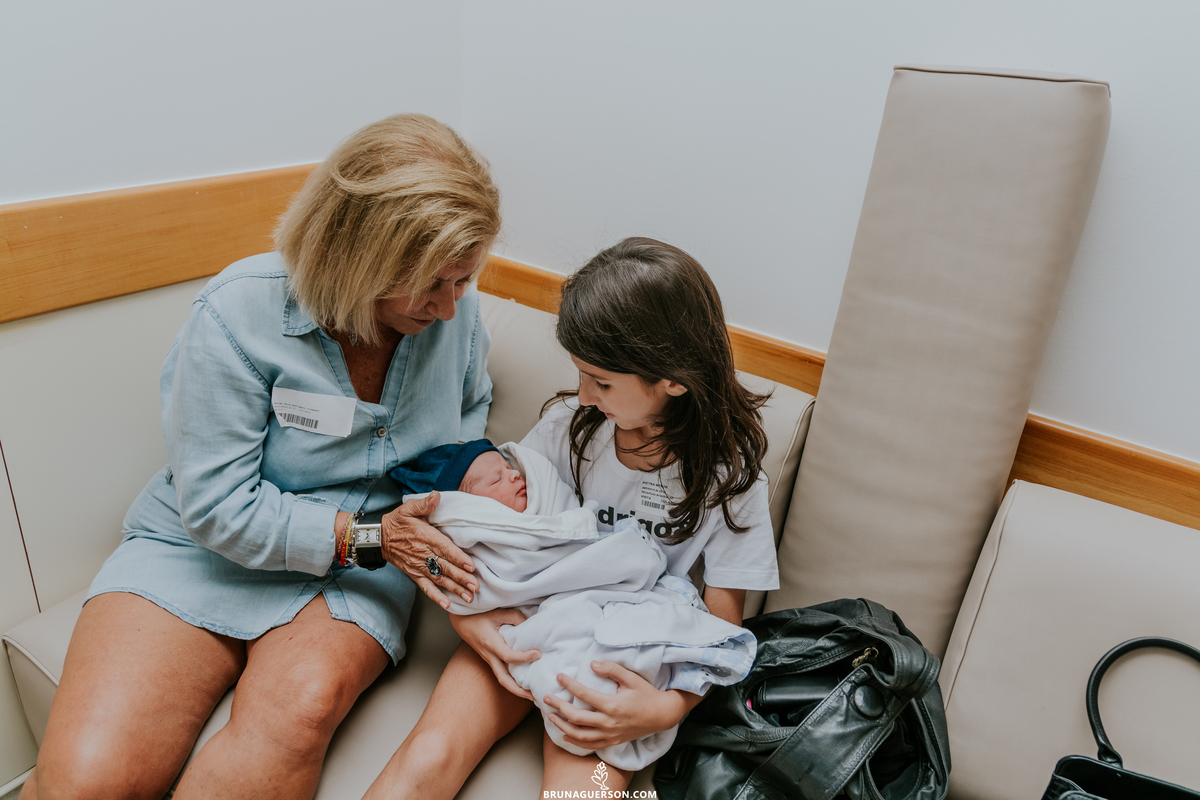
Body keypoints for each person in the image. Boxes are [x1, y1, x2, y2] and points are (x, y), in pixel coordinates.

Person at [22, 114, 500, 800]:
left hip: (362, 567)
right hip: (213, 546)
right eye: (435, 285)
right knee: (81, 783)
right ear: (359, 256)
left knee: (296, 715)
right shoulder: (233, 314)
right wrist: (368, 537)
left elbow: (470, 406)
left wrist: (456, 491)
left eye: (464, 279)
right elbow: (217, 509)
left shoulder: (453, 309)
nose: (452, 308)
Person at [364, 237, 777, 798]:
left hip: (619, 659)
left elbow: (722, 628)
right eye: (581, 374)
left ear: (673, 379)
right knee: (429, 757)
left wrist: (661, 709)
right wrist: (472, 623)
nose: (583, 395)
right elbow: (493, 537)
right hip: (525, 625)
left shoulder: (732, 484)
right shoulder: (568, 428)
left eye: (602, 382)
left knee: (590, 790)